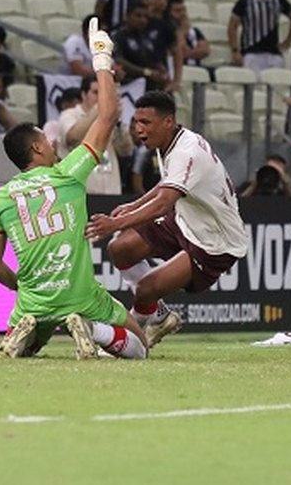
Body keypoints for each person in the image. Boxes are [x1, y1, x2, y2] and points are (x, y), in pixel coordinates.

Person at [0, 18, 150, 360]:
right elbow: (107, 115)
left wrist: (22, 287)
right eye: (46, 139)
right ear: (36, 150)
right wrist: (102, 58)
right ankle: (94, 329)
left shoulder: (1, 197)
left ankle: (25, 328)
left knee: (25, 351)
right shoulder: (68, 174)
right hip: (79, 295)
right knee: (141, 348)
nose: (52, 142)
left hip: (33, 298)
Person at [85, 90, 249, 348]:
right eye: (137, 122)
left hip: (214, 241)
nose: (139, 129)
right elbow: (168, 183)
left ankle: (131, 339)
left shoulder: (188, 152)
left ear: (168, 122)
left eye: (146, 123)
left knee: (145, 290)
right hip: (184, 220)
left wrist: (115, 223)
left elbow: (163, 203)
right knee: (120, 249)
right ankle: (159, 316)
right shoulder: (172, 142)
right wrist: (134, 205)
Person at [57, 75, 128, 194]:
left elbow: (126, 150)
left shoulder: (111, 118)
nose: (102, 97)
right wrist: (99, 110)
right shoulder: (69, 114)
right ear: (84, 95)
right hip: (81, 193)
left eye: (105, 94)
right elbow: (72, 137)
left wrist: (118, 123)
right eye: (96, 93)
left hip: (111, 192)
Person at [112, 1, 169, 91]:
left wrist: (162, 71)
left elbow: (155, 60)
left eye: (146, 17)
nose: (142, 20)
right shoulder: (118, 36)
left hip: (148, 89)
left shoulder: (147, 39)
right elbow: (119, 61)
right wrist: (146, 72)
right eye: (138, 16)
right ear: (127, 16)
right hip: (127, 87)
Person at [168, 0, 209, 66]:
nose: (183, 14)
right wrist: (182, 32)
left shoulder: (195, 31)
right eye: (178, 11)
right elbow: (180, 50)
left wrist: (187, 54)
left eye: (184, 10)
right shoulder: (167, 32)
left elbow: (205, 51)